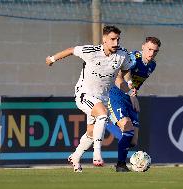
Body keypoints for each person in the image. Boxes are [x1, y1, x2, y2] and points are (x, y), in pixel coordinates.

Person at [46, 25, 133, 172]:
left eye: (118, 39)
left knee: (92, 132)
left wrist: (129, 88)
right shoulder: (91, 51)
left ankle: (75, 156)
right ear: (104, 39)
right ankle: (97, 154)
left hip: (102, 97)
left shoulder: (122, 55)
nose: (115, 43)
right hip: (84, 94)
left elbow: (125, 73)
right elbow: (71, 50)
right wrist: (52, 58)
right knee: (103, 114)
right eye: (112, 39)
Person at [107, 36, 161, 172]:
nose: (151, 53)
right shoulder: (132, 58)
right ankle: (120, 165)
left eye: (155, 51)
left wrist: (133, 95)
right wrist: (131, 94)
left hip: (130, 98)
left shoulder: (152, 66)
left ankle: (108, 123)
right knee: (127, 129)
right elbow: (119, 77)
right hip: (116, 95)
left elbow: (136, 83)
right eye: (149, 49)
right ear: (143, 47)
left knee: (132, 141)